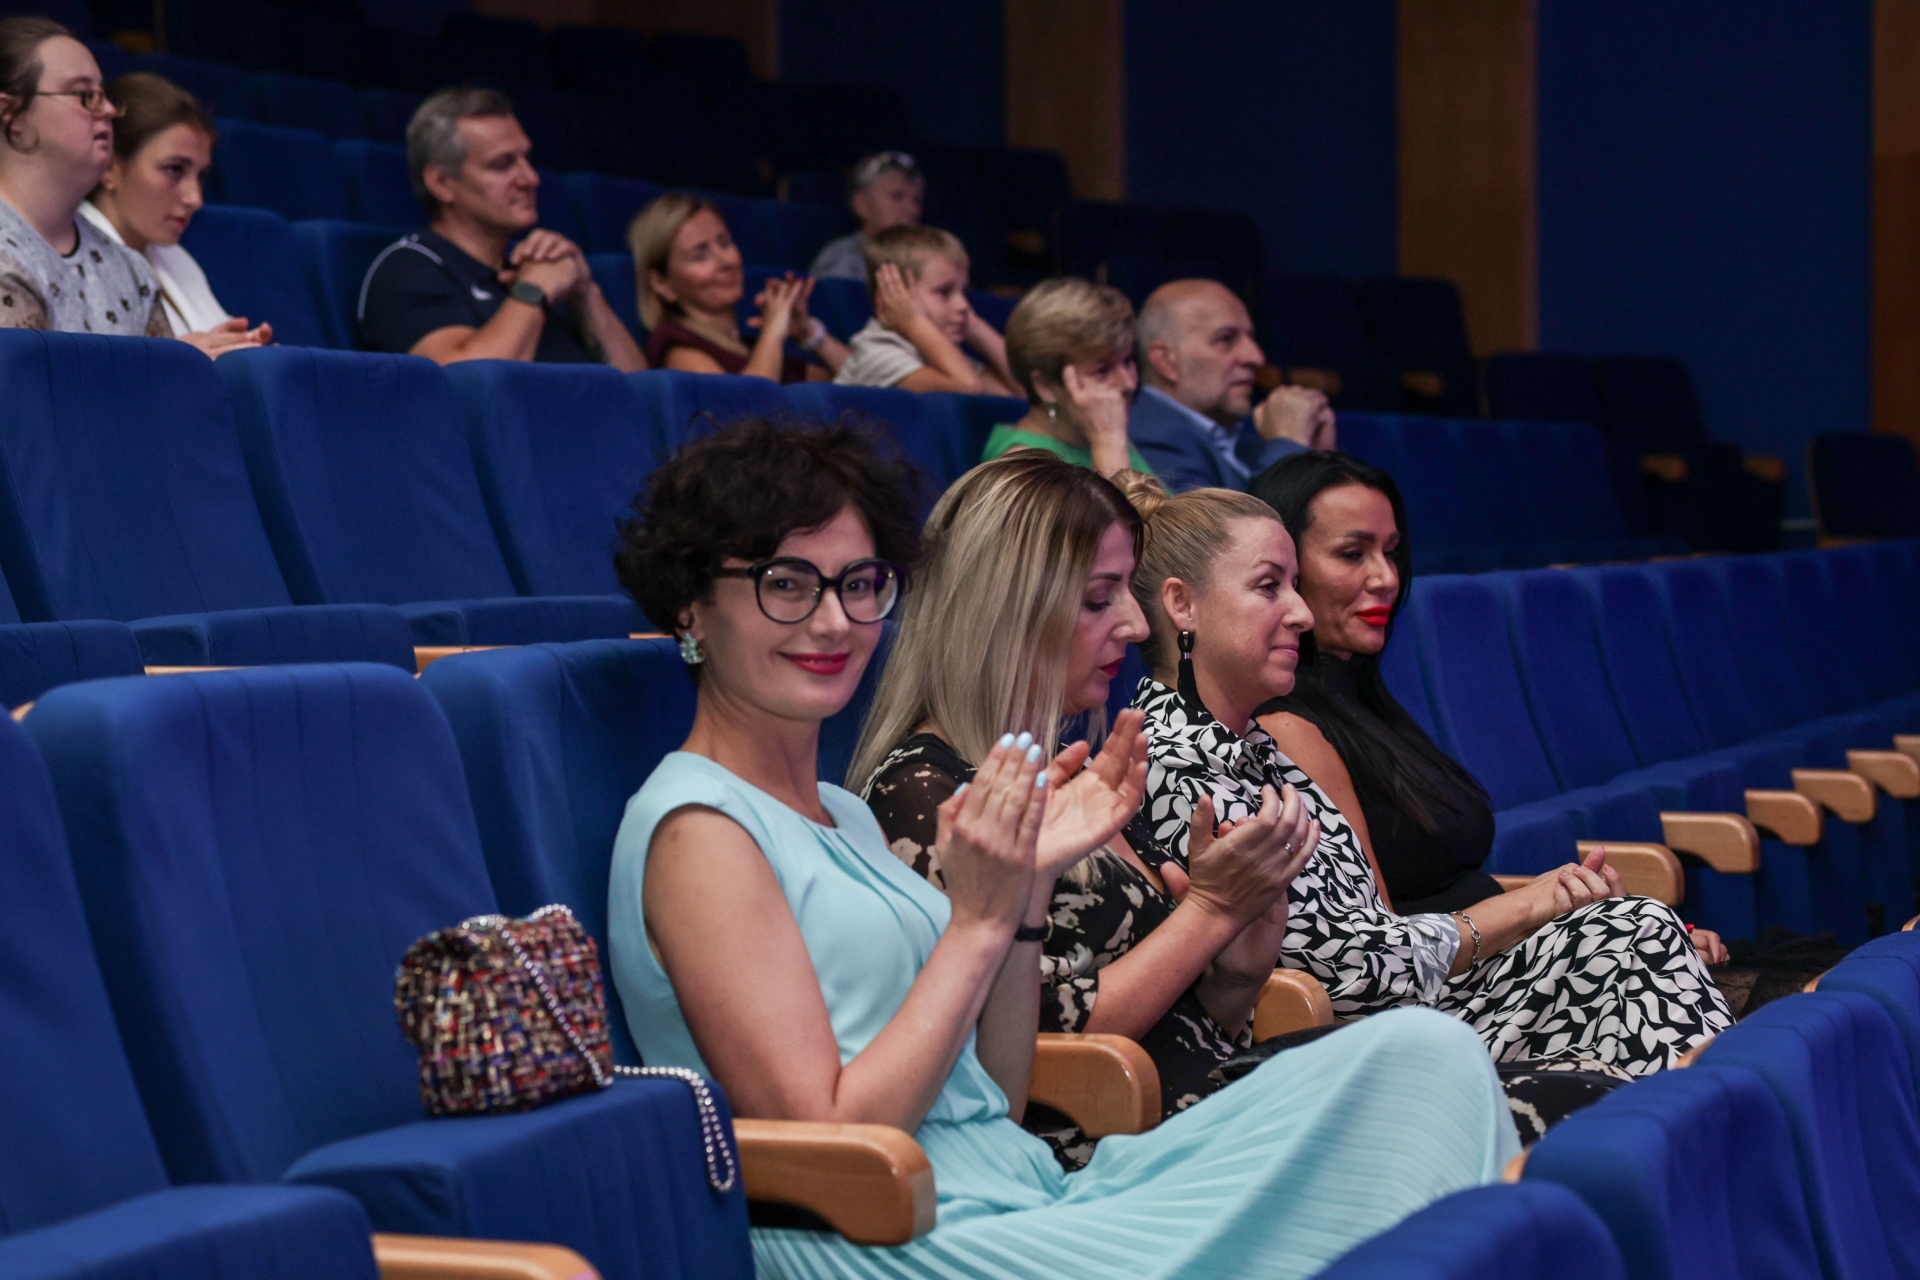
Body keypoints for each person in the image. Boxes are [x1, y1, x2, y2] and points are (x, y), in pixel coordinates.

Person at [607, 418, 1518, 1280]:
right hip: (898, 1232)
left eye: (857, 584)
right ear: (692, 606)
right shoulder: (700, 830)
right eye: (786, 583)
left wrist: (1026, 893)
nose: (834, 622)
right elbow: (833, 1144)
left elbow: (999, 1099)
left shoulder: (840, 813)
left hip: (1015, 1184)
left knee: (1425, 1060)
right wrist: (978, 922)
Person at [1118, 474, 1733, 1076]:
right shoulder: (1170, 763)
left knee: (1630, 935)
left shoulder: (1257, 750)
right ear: (1182, 604)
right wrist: (1528, 905)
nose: (1301, 614)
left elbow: (1377, 931)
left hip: (1413, 1015)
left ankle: (1693, 1124)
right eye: (1268, 587)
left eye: (1296, 587)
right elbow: (1342, 974)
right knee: (1632, 936)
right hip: (1340, 1053)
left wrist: (1549, 903)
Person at [852, 450, 1329, 1166]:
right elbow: (1041, 1041)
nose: (1136, 625)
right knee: (1427, 1060)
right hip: (1114, 1158)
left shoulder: (1069, 773)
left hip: (1203, 1118)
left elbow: (1183, 1030)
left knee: (1432, 1065)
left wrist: (1236, 971)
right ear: (1008, 611)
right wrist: (1208, 915)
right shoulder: (926, 794)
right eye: (1100, 599)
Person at [1245, 451, 1731, 971]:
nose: (1386, 577)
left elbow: (1455, 894)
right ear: (1284, 569)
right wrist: (1574, 918)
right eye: (1352, 554)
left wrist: (1592, 911)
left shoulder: (1360, 697)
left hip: (1489, 965)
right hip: (1451, 996)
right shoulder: (1287, 726)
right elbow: (1387, 949)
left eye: (1391, 551)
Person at [357, 87, 643, 371]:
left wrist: (584, 291)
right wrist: (533, 290)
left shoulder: (533, 266)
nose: (530, 178)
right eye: (502, 164)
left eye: (527, 159)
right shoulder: (408, 268)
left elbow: (641, 389)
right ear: (441, 183)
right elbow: (467, 382)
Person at [81, 72, 269, 357]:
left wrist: (248, 356)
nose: (195, 199)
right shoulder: (69, 256)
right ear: (109, 166)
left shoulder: (175, 257)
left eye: (201, 176)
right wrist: (181, 361)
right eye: (174, 169)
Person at [0, 18, 165, 336]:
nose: (109, 111)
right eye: (85, 95)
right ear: (11, 116)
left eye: (104, 95)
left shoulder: (132, 270)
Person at [1129, 279, 1335, 493]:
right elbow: (1218, 518)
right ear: (1166, 360)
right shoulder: (1149, 438)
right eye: (1225, 339)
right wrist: (1288, 444)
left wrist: (1320, 457)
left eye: (1251, 338)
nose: (1256, 357)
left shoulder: (1241, 433)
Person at [632, 191, 845, 383]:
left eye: (725, 243)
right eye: (700, 256)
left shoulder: (750, 349)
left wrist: (808, 333)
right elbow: (747, 405)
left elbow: (850, 385)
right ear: (662, 283)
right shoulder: (676, 348)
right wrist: (773, 332)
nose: (726, 261)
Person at [981, 277, 1153, 477]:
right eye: (1102, 371)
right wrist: (1108, 443)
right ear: (1045, 386)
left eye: (1127, 361)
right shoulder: (1024, 466)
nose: (1128, 383)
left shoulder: (1097, 431)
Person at [833, 224, 1015, 393]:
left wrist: (974, 326)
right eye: (944, 292)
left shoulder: (944, 355)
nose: (964, 305)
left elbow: (1024, 393)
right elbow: (967, 387)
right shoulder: (877, 353)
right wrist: (913, 322)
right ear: (889, 300)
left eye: (964, 292)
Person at [808, 149, 923, 281]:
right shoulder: (844, 259)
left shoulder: (926, 258)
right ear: (861, 204)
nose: (912, 209)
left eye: (917, 200)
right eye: (897, 197)